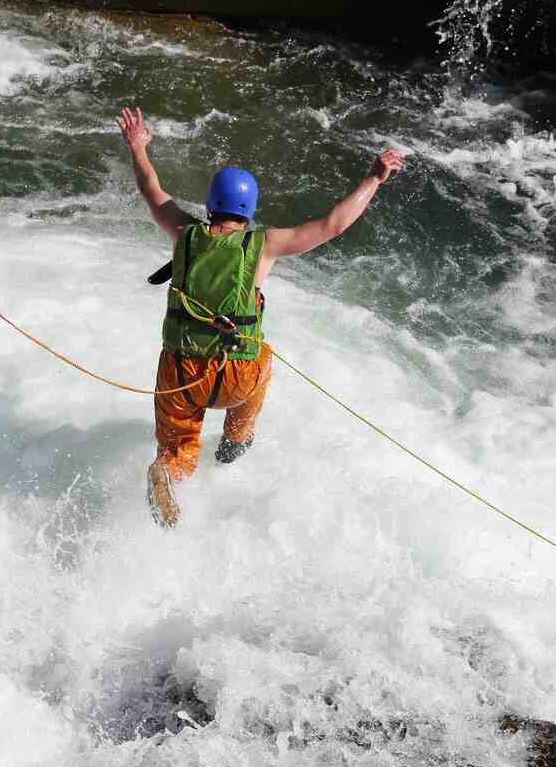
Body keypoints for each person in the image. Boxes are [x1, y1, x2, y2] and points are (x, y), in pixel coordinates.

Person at [118, 106, 405, 527]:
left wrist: (138, 147)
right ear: (249, 209)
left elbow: (151, 189)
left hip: (181, 374)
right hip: (236, 377)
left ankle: (168, 471)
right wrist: (374, 177)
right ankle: (236, 439)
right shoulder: (265, 245)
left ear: (212, 204)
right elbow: (332, 225)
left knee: (176, 450)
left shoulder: (183, 231)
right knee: (263, 357)